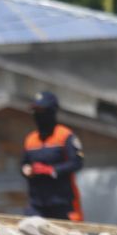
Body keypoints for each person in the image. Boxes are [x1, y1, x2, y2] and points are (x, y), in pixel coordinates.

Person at [21, 91, 85, 221]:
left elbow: (77, 162)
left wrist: (52, 170)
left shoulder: (65, 135)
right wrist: (26, 169)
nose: (38, 115)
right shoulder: (30, 139)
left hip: (63, 204)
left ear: (52, 111)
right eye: (35, 111)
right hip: (37, 204)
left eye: (41, 110)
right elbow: (23, 163)